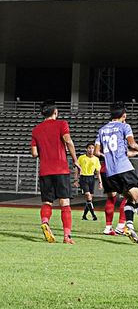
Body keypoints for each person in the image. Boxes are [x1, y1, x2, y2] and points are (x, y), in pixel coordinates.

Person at [95, 101, 138, 245]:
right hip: (123, 168)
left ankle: (129, 226)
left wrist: (110, 157)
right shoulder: (125, 126)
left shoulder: (102, 129)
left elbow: (96, 152)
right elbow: (132, 143)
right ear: (124, 115)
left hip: (110, 172)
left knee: (129, 198)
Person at [30, 100, 81, 244]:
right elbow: (68, 141)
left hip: (45, 171)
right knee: (65, 203)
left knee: (47, 201)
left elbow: (34, 153)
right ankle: (67, 236)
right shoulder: (61, 124)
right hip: (61, 169)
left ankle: (45, 222)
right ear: (55, 112)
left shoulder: (36, 130)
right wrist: (75, 160)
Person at [75, 143, 103, 221]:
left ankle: (84, 216)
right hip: (83, 178)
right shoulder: (81, 158)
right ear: (86, 149)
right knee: (88, 196)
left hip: (91, 178)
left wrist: (100, 182)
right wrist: (76, 180)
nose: (91, 150)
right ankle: (94, 215)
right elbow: (77, 169)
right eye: (89, 148)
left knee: (89, 199)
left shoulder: (96, 159)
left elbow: (98, 172)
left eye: (92, 148)